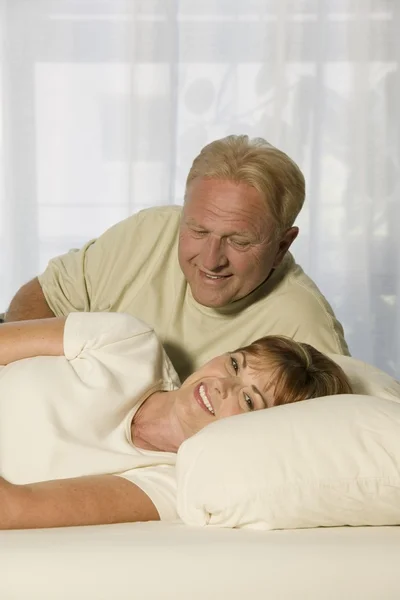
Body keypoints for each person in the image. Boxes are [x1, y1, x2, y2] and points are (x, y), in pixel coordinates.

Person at [4, 135, 349, 380]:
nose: (211, 260)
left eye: (239, 241)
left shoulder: (307, 330)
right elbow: (41, 298)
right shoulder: (151, 230)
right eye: (198, 231)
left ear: (281, 246)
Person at [0, 312, 351, 530]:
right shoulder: (127, 342)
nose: (221, 385)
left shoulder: (173, 484)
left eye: (247, 399)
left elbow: (14, 510)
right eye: (234, 364)